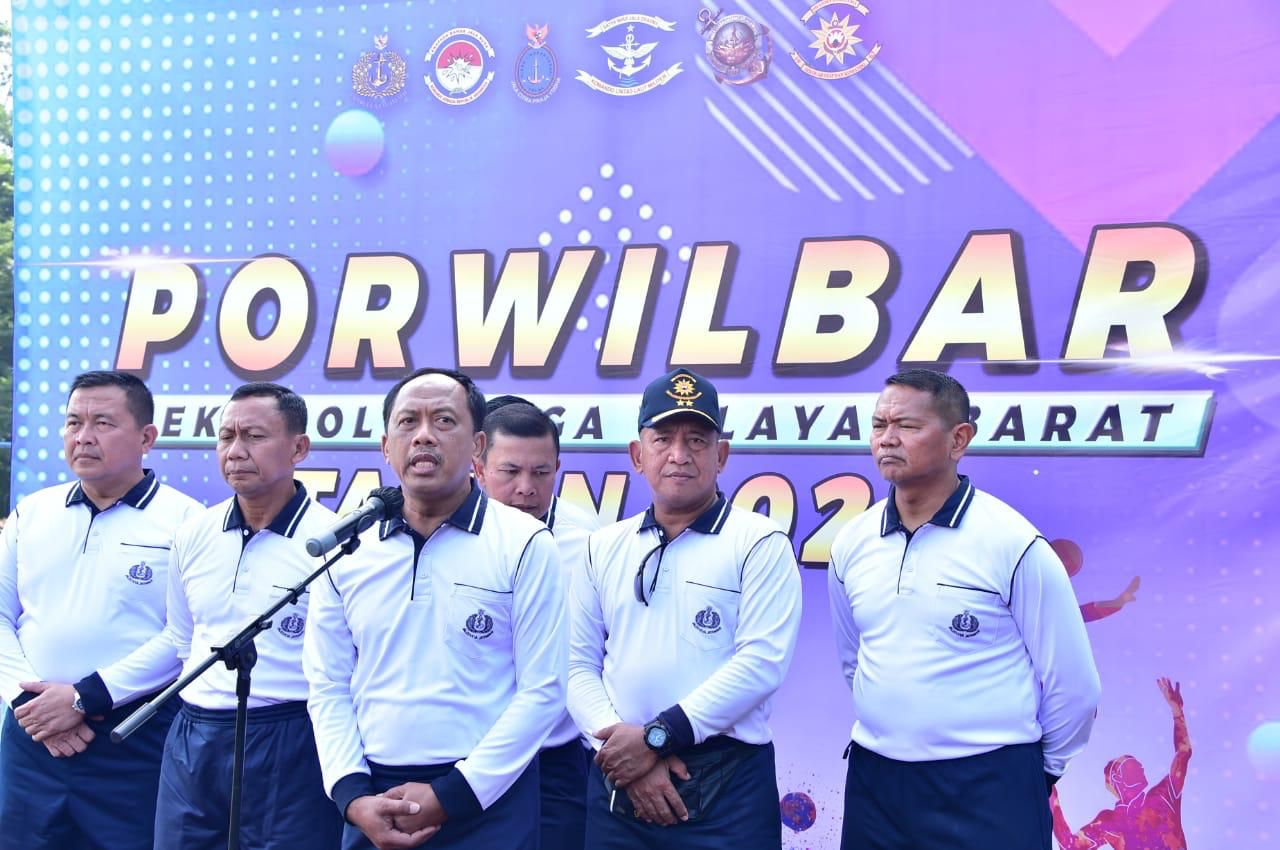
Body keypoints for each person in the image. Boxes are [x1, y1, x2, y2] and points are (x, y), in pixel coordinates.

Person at [828, 368, 1102, 850]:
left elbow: (1074, 686)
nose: (887, 439)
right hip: (876, 787)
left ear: (959, 439)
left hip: (988, 787)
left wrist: (1031, 775)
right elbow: (856, 661)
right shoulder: (852, 542)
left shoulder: (1012, 543)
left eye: (907, 426)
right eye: (878, 425)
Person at [304, 368, 567, 850]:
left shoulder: (525, 543)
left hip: (487, 802)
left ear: (477, 446)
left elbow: (544, 691)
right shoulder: (348, 547)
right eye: (408, 422)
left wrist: (452, 794)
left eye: (444, 420)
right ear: (386, 447)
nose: (424, 435)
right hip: (373, 798)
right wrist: (353, 797)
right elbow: (327, 683)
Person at [568, 368, 803, 849]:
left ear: (721, 455)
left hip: (727, 786)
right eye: (663, 439)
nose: (679, 454)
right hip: (619, 779)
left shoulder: (759, 543)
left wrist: (657, 738)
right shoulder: (603, 546)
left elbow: (761, 664)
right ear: (638, 455)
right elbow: (575, 664)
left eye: (697, 440)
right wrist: (625, 753)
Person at [102, 382, 344, 849]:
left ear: (299, 448)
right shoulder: (194, 533)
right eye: (226, 436)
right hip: (194, 735)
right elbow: (183, 638)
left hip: (289, 735)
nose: (235, 451)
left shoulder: (332, 542)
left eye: (254, 436)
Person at [0, 370, 201, 850]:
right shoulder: (33, 512)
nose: (83, 437)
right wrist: (29, 705)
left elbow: (186, 636)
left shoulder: (188, 522)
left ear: (147, 437)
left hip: (130, 737)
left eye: (103, 423)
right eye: (74, 422)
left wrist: (84, 698)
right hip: (31, 735)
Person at [474, 395, 601, 850]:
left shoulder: (589, 542)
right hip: (464, 755)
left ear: (558, 469)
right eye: (510, 471)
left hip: (553, 761)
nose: (526, 488)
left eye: (541, 473)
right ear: (478, 466)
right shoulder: (441, 532)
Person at [1050, 678, 1190, 850]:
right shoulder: (1109, 822)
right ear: (1116, 779)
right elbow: (1069, 846)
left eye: (1137, 764)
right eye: (1130, 765)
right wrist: (1051, 797)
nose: (1140, 767)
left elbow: (1183, 753)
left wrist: (1177, 712)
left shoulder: (1162, 795)